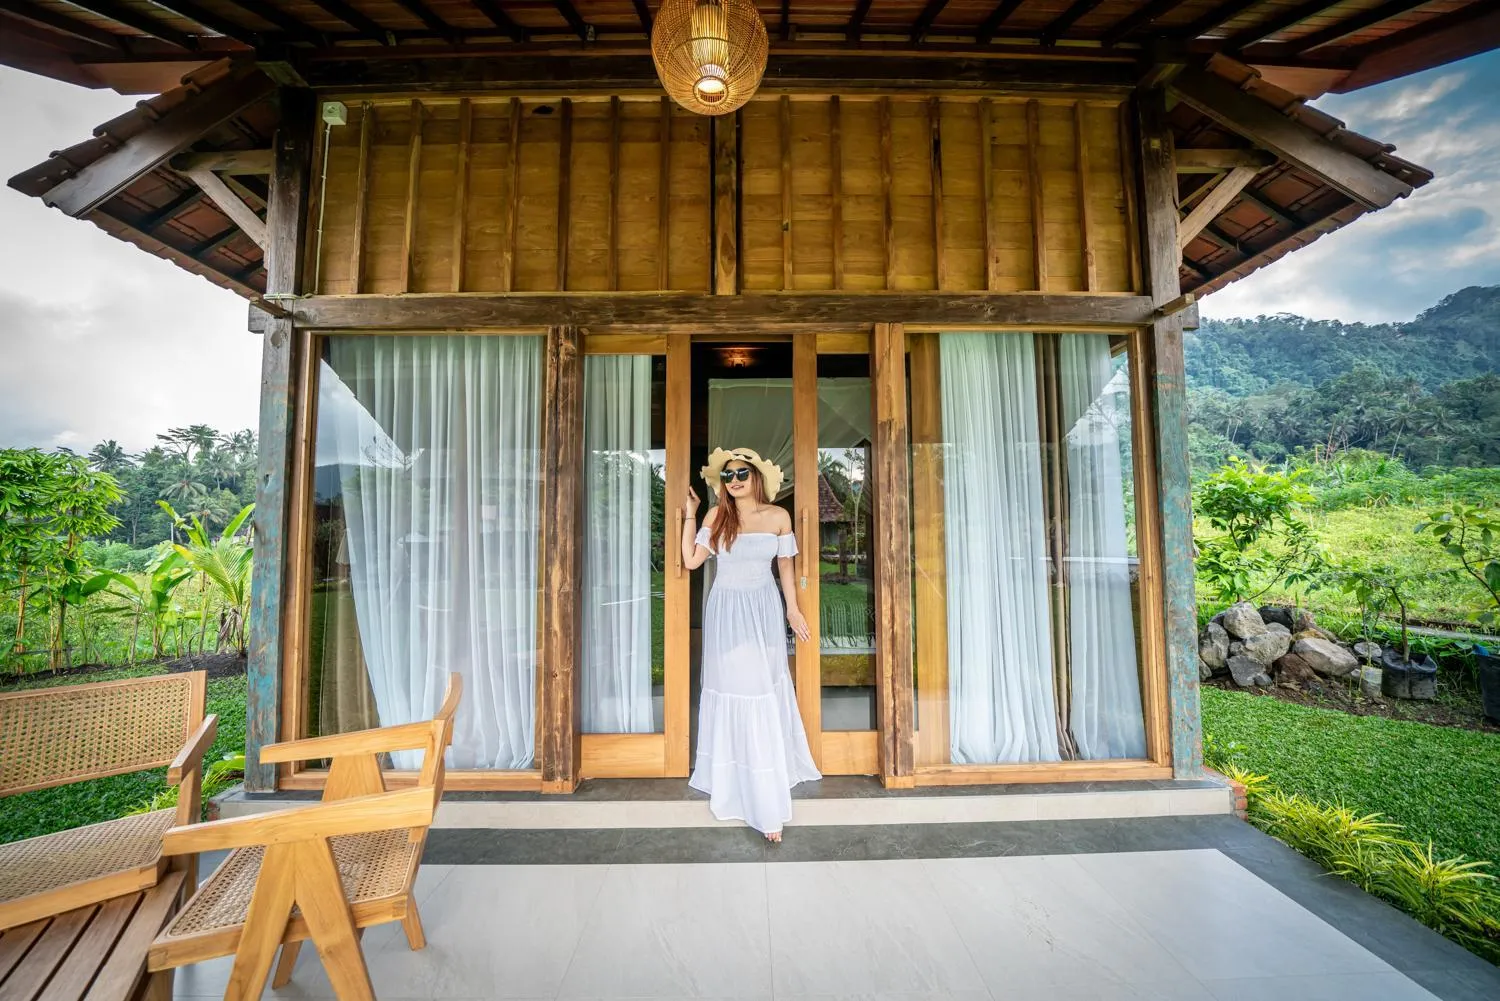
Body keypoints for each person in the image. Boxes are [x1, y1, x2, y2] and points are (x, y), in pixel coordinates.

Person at [682, 447, 821, 842]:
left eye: (741, 473)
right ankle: (751, 796)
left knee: (762, 692)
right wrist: (691, 514)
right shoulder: (716, 516)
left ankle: (765, 791)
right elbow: (692, 561)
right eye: (727, 476)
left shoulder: (778, 517)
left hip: (762, 611)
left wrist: (793, 610)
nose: (735, 480)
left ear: (756, 477)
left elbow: (786, 565)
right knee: (737, 692)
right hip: (726, 612)